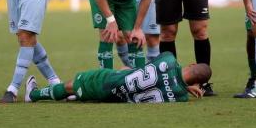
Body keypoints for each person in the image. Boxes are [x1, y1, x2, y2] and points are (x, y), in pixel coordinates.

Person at [25, 51, 212, 103]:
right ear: (195, 83)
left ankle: (33, 95)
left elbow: (167, 73)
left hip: (108, 81)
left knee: (71, 85)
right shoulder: (181, 97)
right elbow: (171, 84)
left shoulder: (169, 59)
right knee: (124, 69)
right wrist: (186, 86)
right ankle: (77, 95)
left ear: (192, 65)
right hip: (119, 98)